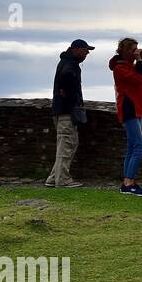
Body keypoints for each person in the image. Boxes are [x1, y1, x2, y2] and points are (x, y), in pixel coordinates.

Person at [46, 38, 94, 188]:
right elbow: (67, 80)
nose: (87, 53)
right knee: (67, 144)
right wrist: (72, 101)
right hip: (66, 112)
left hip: (62, 110)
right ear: (75, 49)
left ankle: (54, 178)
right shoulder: (70, 65)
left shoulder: (66, 62)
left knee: (66, 144)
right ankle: (62, 180)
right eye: (85, 50)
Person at [109, 37, 142, 196]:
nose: (136, 52)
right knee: (139, 147)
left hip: (136, 109)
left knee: (131, 147)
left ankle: (127, 182)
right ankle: (128, 182)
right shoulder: (120, 69)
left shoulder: (129, 66)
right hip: (129, 109)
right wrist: (140, 60)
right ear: (125, 51)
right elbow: (140, 78)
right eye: (133, 49)